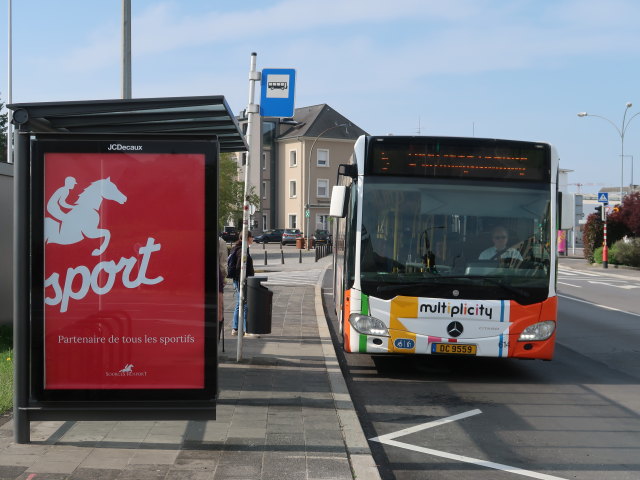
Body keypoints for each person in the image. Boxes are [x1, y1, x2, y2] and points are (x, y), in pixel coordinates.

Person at [230, 231, 254, 336]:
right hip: (241, 280)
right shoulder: (242, 250)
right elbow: (240, 266)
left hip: (238, 280)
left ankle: (235, 329)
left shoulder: (238, 248)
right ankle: (246, 330)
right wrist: (242, 280)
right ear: (247, 238)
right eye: (251, 237)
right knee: (244, 305)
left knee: (239, 304)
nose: (252, 239)